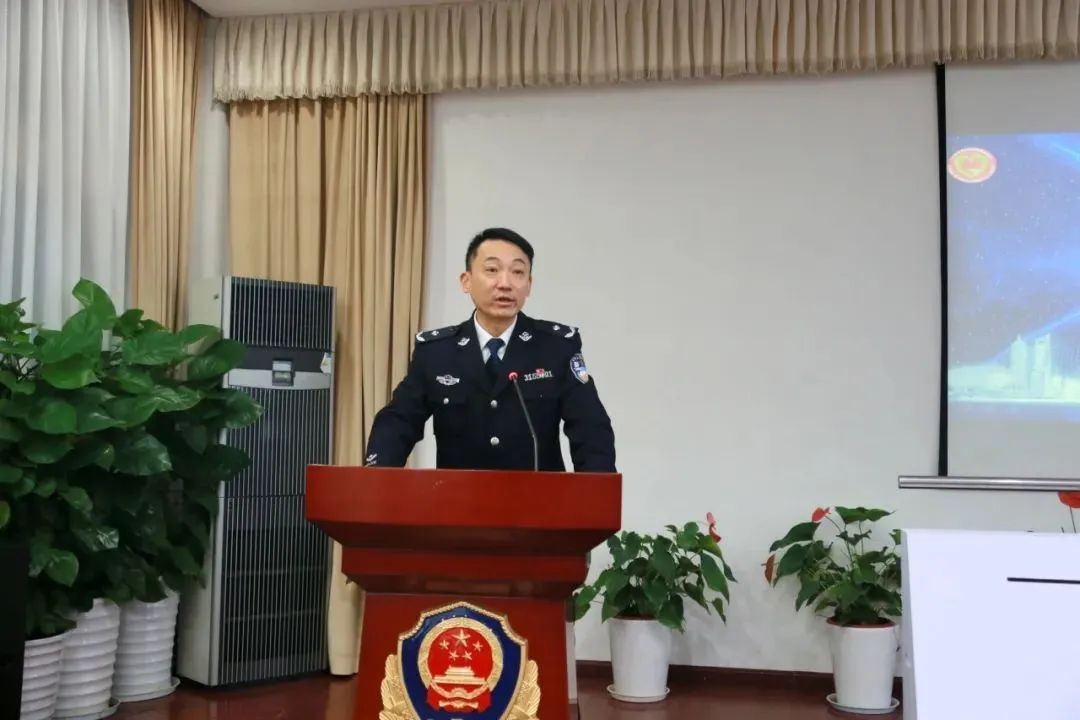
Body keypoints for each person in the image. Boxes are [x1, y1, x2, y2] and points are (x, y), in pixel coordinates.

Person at [363, 227, 616, 473]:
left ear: (529, 285)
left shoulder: (556, 348)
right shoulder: (437, 353)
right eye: (492, 270)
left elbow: (591, 429)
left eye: (518, 272)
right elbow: (398, 422)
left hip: (538, 499)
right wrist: (375, 479)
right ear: (467, 281)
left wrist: (596, 493)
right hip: (459, 499)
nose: (505, 283)